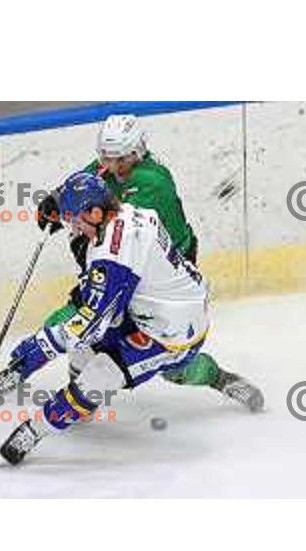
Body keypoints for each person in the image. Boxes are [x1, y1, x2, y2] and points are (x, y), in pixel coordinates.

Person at [0, 172, 263, 465]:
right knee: (83, 354)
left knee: (100, 375)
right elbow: (93, 180)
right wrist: (58, 199)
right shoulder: (128, 210)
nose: (73, 228)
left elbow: (86, 326)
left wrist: (33, 350)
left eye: (74, 220)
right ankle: (79, 406)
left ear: (96, 212)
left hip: (171, 333)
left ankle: (34, 430)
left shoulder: (113, 257)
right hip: (151, 307)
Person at [36, 114, 237, 397]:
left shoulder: (152, 182)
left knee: (172, 366)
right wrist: (56, 201)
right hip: (125, 267)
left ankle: (217, 377)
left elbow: (118, 238)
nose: (110, 166)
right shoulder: (107, 166)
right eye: (105, 157)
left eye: (119, 159)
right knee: (69, 323)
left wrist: (73, 220)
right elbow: (82, 187)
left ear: (137, 152)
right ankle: (78, 384)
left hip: (160, 277)